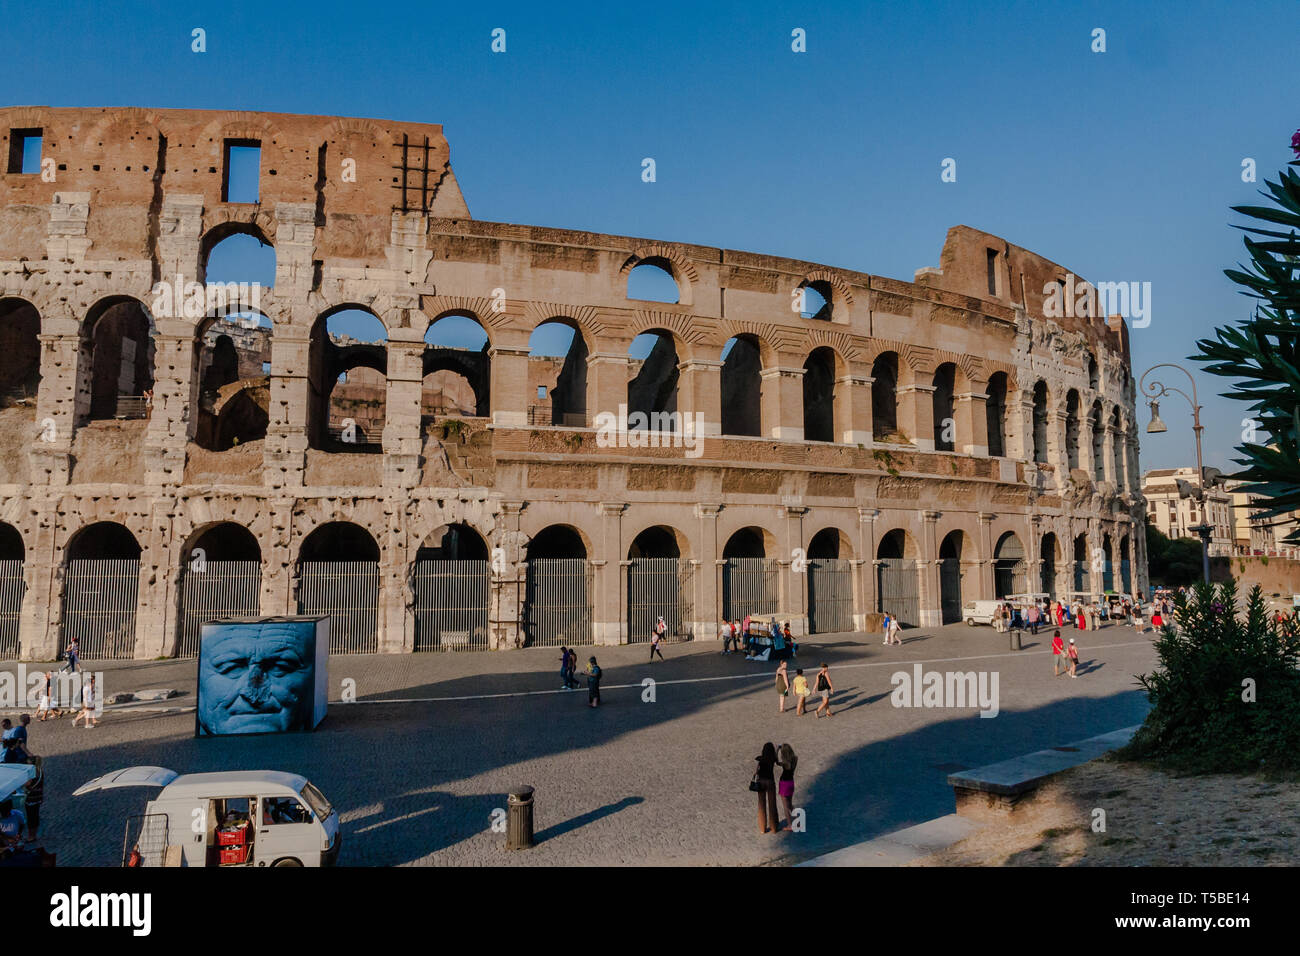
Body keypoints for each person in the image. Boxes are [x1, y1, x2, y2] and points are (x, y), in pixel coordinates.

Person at [754, 742, 779, 834]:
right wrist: (777, 749)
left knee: (761, 805)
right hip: (770, 781)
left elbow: (756, 771)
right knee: (772, 804)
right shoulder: (772, 759)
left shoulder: (760, 759)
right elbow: (776, 757)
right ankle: (774, 827)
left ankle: (762, 828)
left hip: (760, 781)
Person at [776, 743, 798, 831]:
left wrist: (777, 749)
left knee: (785, 807)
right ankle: (797, 821)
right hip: (791, 783)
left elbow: (776, 761)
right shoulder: (795, 759)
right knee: (790, 805)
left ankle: (790, 825)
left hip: (784, 783)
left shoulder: (785, 763)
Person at [23, 755, 43, 842]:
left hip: (31, 798)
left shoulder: (32, 773)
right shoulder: (40, 771)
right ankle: (33, 835)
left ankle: (31, 836)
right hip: (38, 797)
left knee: (31, 817)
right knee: (35, 816)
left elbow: (27, 784)